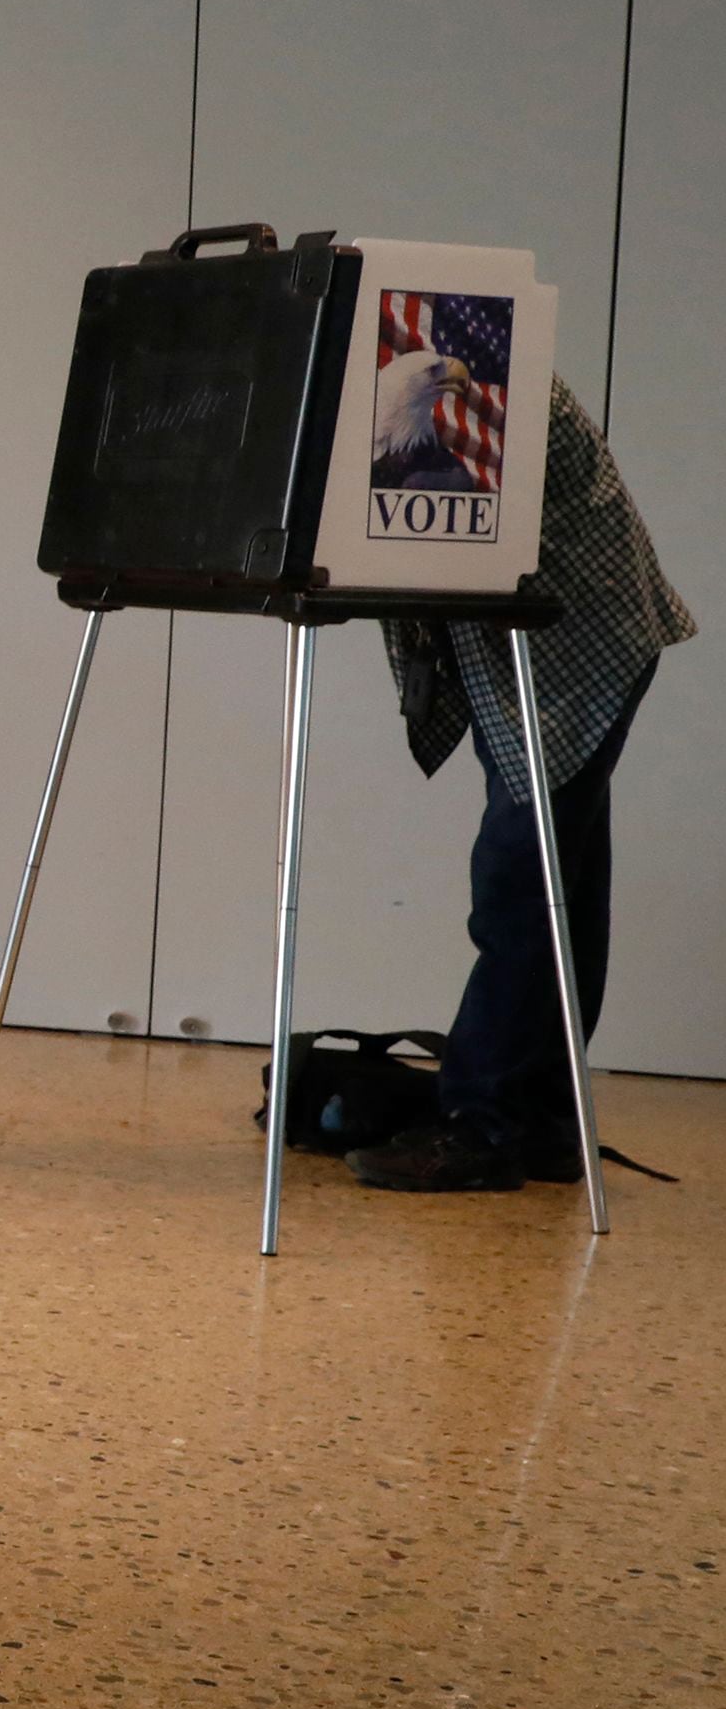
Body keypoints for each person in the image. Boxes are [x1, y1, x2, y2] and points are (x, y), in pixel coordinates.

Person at [349, 375, 693, 1191]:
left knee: (517, 880)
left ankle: (483, 1127)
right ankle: (540, 1120)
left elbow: (439, 517)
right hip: (542, 644)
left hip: (572, 651)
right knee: (558, 880)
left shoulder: (485, 379)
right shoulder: (441, 374)